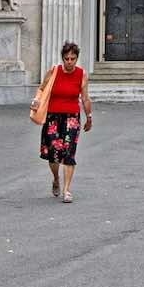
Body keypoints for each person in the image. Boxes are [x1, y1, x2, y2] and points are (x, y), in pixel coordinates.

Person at [39, 41, 92, 203]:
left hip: (72, 118)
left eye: (73, 59)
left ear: (77, 59)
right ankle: (56, 178)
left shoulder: (81, 74)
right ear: (62, 58)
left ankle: (67, 190)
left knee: (69, 153)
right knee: (54, 155)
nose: (69, 62)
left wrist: (89, 116)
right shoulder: (53, 71)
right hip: (53, 117)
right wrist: (36, 101)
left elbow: (85, 97)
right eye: (67, 58)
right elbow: (42, 89)